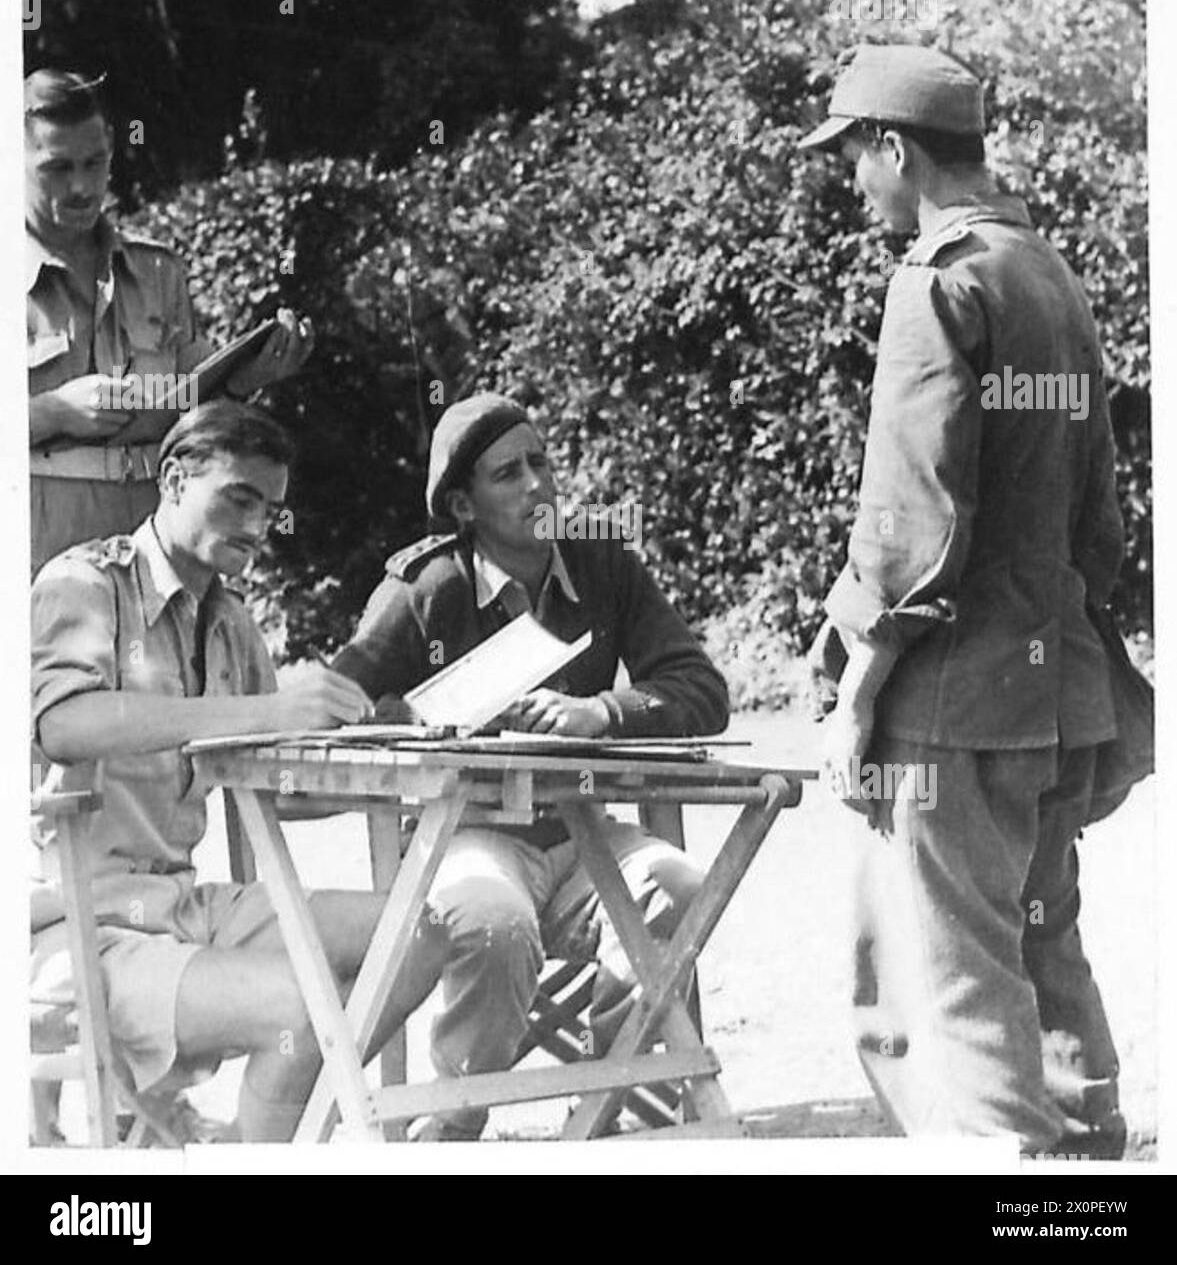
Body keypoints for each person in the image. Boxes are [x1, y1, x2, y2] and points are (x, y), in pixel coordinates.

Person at [798, 44, 1128, 1157]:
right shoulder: (1049, 277)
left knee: (950, 980)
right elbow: (1103, 524)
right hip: (1054, 695)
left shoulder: (937, 283)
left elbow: (908, 522)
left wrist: (855, 686)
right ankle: (1087, 1162)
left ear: (895, 148)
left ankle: (1023, 1182)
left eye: (853, 157)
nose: (852, 183)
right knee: (1036, 943)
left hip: (951, 706)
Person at [30, 401, 437, 1143]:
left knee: (419, 932)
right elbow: (63, 725)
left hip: (181, 904)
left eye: (271, 509)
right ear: (174, 478)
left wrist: (398, 750)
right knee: (297, 1007)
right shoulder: (84, 584)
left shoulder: (229, 622)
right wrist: (263, 712)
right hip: (71, 925)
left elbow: (270, 780)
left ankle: (260, 1142)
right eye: (238, 499)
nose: (256, 528)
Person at [331, 393, 730, 1138]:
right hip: (466, 838)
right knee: (492, 921)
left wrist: (602, 713)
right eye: (507, 473)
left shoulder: (602, 563)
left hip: (583, 839)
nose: (537, 485)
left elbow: (702, 690)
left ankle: (623, 1116)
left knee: (678, 888)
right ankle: (450, 1123)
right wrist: (416, 721)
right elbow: (340, 702)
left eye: (542, 461)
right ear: (462, 503)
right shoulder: (425, 588)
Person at [26, 68, 313, 575]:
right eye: (57, 168)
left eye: (95, 164)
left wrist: (247, 380)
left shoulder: (157, 271)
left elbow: (191, 416)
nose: (81, 186)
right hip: (38, 547)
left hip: (154, 547)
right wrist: (52, 412)